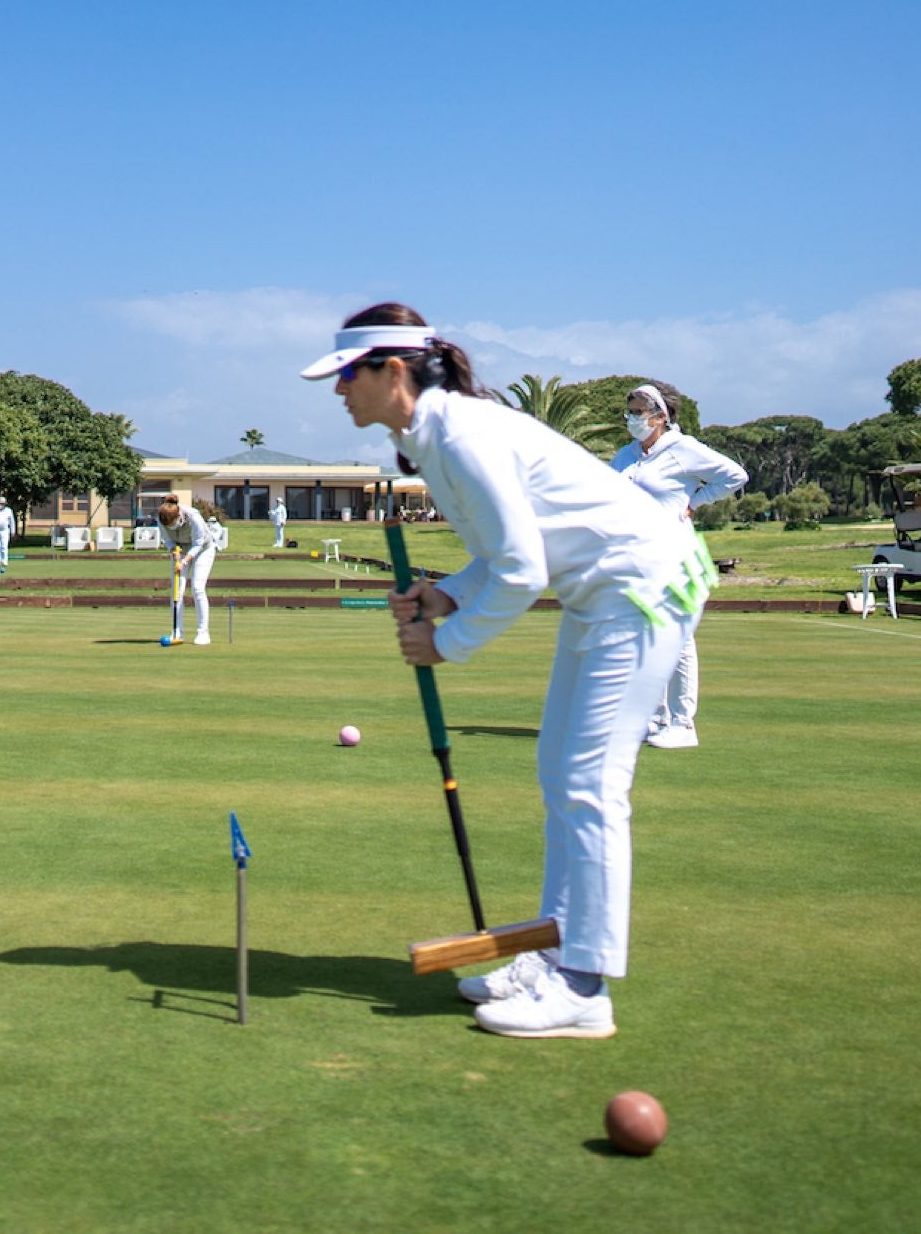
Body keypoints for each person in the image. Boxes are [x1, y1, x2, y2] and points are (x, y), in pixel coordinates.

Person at [303, 303, 712, 1040]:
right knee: (561, 771)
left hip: (645, 584)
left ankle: (584, 988)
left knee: (589, 782)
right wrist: (448, 590)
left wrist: (446, 642)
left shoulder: (459, 434)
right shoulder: (432, 435)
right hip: (607, 591)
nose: (338, 392)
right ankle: (553, 954)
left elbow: (522, 572)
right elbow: (505, 548)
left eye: (346, 376)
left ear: (392, 371)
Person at [610, 381, 748, 750]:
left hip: (676, 556)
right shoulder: (625, 455)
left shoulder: (683, 450)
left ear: (660, 416)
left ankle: (682, 724)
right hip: (636, 560)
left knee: (677, 640)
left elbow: (735, 476)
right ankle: (653, 721)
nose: (632, 417)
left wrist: (695, 502)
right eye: (630, 410)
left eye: (639, 411)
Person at [156, 493, 216, 645]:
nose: (171, 527)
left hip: (203, 550)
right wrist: (173, 551)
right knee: (177, 591)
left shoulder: (193, 516)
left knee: (197, 588)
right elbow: (167, 540)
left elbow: (198, 543)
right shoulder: (161, 519)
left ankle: (203, 633)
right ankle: (177, 632)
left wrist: (184, 561)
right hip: (181, 550)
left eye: (173, 524)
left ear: (178, 517)